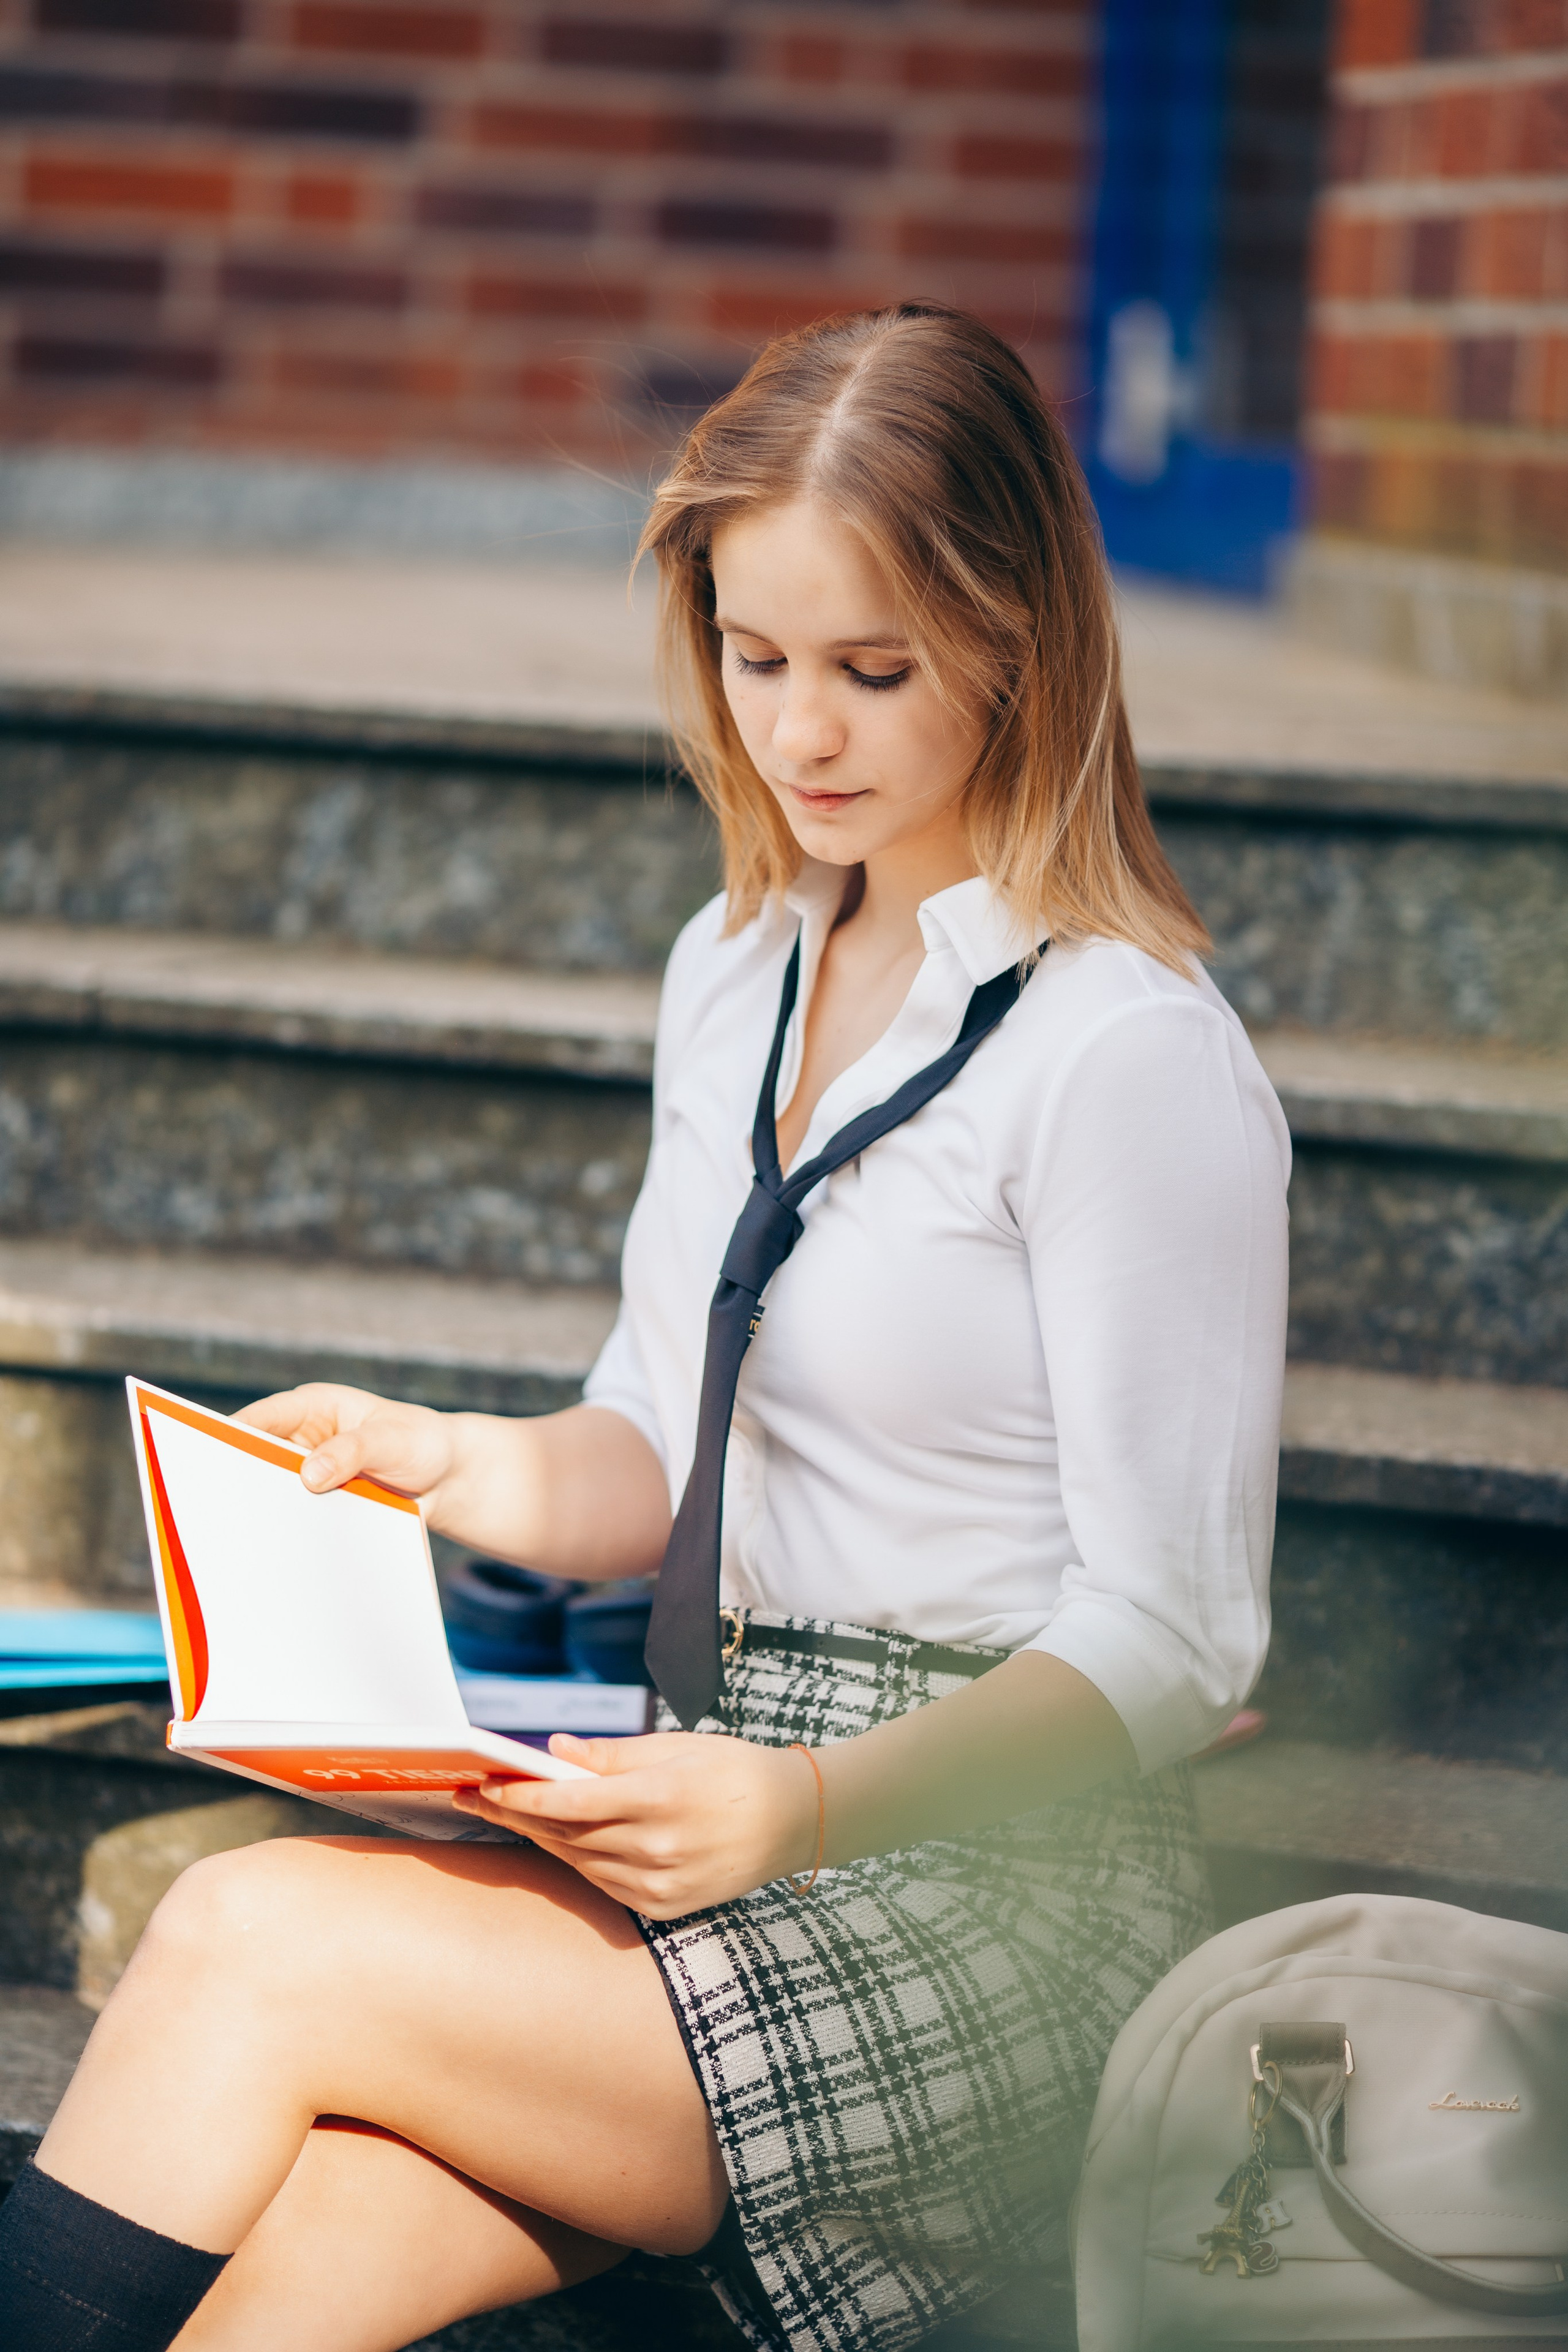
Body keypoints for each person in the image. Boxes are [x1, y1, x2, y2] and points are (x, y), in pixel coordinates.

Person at [0, 304, 1289, 2352]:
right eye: (754, 658)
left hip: (987, 1878)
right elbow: (650, 1458)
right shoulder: (739, 964)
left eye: (873, 669)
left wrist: (806, 1810)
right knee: (321, 2246)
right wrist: (446, 1460)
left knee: (252, 1932)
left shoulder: (1129, 1056)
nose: (803, 734)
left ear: (1019, 641)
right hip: (709, 1793)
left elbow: (1177, 1636)